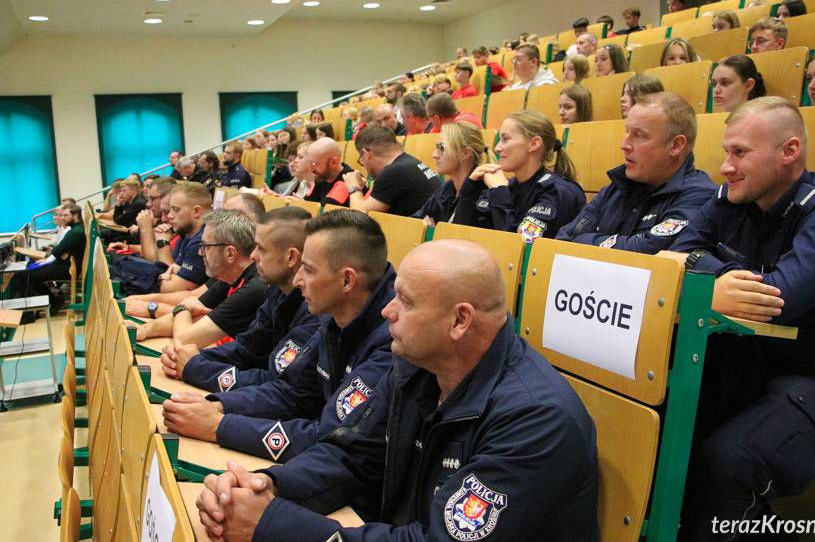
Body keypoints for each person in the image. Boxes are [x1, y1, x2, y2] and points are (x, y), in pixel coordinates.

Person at [195, 239, 599, 542]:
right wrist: (268, 486)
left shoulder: (537, 419)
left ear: (460, 321)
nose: (387, 311)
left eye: (404, 301)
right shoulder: (418, 363)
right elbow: (354, 457)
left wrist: (272, 524)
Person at [668, 97, 815, 541]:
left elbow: (777, 299)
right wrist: (716, 279)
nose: (724, 167)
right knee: (665, 424)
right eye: (725, 152)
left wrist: (704, 274)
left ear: (789, 152)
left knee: (729, 462)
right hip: (751, 361)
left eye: (740, 153)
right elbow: (673, 254)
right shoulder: (730, 200)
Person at [162, 210, 396, 464]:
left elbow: (332, 438)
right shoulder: (332, 311)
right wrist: (217, 404)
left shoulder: (391, 340)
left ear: (347, 280)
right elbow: (290, 391)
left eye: (307, 269)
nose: (298, 279)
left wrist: (220, 425)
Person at [168, 207, 317, 392]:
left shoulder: (312, 309)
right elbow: (246, 349)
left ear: (291, 257)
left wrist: (195, 367)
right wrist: (192, 358)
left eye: (261, 248)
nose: (253, 255)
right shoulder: (277, 293)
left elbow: (279, 384)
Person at [557, 92, 716, 252]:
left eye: (639, 135)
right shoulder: (617, 187)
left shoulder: (700, 196)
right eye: (627, 131)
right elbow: (563, 240)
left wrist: (585, 241)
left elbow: (651, 253)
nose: (624, 144)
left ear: (676, 146)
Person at [131, 209, 267, 348]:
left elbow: (184, 340)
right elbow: (194, 317)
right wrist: (146, 329)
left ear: (230, 254)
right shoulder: (230, 276)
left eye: (205, 246)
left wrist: (183, 307)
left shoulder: (255, 289)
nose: (199, 252)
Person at [453, 110, 586, 241]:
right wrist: (469, 191)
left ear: (534, 144)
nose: (497, 148)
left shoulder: (558, 192)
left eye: (505, 139)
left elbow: (518, 249)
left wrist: (500, 192)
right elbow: (461, 236)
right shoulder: (507, 186)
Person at [345, 125, 440, 216]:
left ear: (366, 154)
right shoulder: (408, 163)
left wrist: (354, 187)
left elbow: (359, 218)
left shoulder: (394, 171)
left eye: (361, 159)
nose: (363, 164)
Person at [413, 122, 490, 225]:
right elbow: (415, 220)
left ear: (465, 154)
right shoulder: (448, 188)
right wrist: (421, 228)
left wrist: (435, 232)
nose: (434, 155)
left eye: (442, 148)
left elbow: (463, 235)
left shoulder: (484, 193)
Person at [26, 204, 85, 312]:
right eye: (61, 215)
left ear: (76, 215)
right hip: (66, 263)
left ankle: (54, 303)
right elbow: (60, 251)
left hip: (70, 268)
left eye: (66, 215)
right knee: (31, 272)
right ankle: (51, 302)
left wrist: (45, 262)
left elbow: (58, 251)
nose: (62, 218)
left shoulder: (76, 232)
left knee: (30, 275)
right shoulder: (75, 229)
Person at [158, 182, 211, 293]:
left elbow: (170, 290)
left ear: (196, 211)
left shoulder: (201, 241)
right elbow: (172, 268)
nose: (169, 216)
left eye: (176, 210)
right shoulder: (187, 233)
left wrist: (160, 277)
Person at [304, 138, 353, 207]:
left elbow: (324, 210)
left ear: (334, 162)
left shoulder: (348, 180)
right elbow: (307, 203)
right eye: (310, 163)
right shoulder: (321, 178)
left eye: (315, 164)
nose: (311, 169)